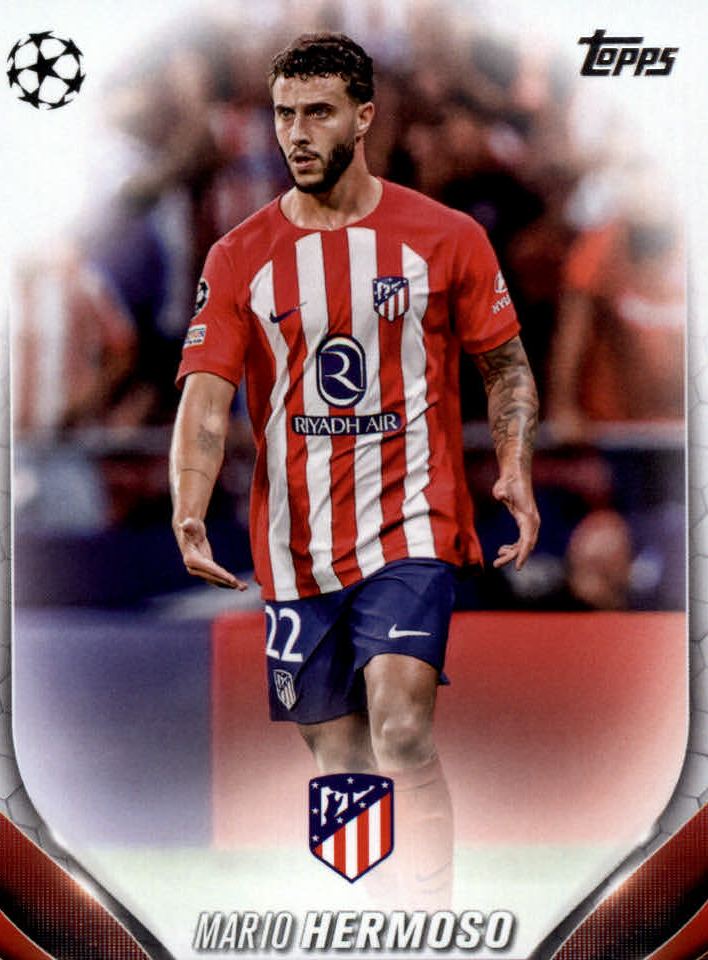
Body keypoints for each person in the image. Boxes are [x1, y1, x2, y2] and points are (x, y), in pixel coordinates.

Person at [170, 33, 540, 910]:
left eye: (318, 113)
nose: (296, 134)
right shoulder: (239, 256)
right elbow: (206, 400)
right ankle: (372, 919)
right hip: (296, 546)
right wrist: (190, 506)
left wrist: (514, 468)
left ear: (365, 116)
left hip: (412, 524)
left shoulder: (446, 238)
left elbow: (507, 367)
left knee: (401, 730)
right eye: (283, 114)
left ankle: (432, 923)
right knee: (339, 755)